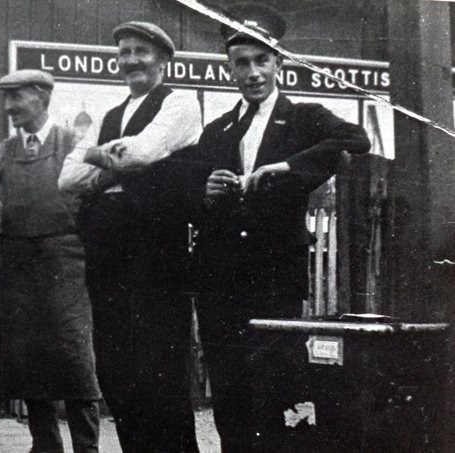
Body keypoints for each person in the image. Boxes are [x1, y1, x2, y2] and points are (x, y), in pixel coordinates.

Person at [179, 4, 371, 451]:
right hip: (219, 279)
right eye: (241, 63)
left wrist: (283, 167)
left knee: (276, 382)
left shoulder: (304, 117)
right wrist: (205, 190)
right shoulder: (218, 129)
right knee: (227, 387)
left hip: (273, 275)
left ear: (279, 62)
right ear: (229, 69)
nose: (252, 72)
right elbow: (192, 196)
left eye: (261, 60)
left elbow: (356, 139)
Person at [59, 22, 202, 453]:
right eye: (124, 52)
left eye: (141, 51)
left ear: (163, 59)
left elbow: (142, 151)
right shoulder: (108, 113)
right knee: (118, 369)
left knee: (161, 368)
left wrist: (92, 158)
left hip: (156, 247)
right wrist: (105, 159)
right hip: (108, 247)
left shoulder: (180, 104)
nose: (131, 60)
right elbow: (67, 178)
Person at [0, 69, 101, 453]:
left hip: (66, 262)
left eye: (18, 98)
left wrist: (79, 227)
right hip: (20, 263)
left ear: (42, 98)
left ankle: (86, 448)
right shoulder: (3, 152)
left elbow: (97, 184)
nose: (9, 107)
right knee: (28, 357)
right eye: (6, 99)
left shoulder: (71, 142)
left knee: (75, 355)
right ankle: (45, 445)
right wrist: (1, 221)